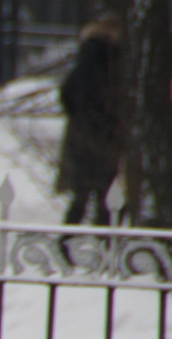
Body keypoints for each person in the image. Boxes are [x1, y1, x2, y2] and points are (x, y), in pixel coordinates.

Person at [57, 17, 123, 226]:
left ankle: (66, 239)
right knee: (106, 197)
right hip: (105, 135)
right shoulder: (112, 61)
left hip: (80, 134)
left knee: (80, 196)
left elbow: (66, 93)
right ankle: (105, 242)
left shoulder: (84, 59)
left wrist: (78, 117)